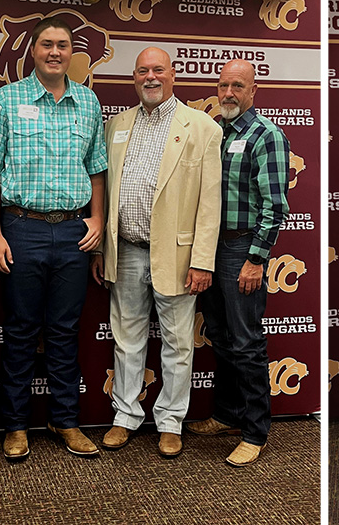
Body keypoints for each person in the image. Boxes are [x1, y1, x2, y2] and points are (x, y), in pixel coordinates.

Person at [0, 17, 106, 460]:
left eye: (63, 46)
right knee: (21, 330)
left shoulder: (88, 102)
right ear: (33, 51)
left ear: (72, 53)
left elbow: (97, 169)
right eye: (47, 44)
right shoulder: (5, 100)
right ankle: (15, 425)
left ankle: (65, 420)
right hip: (21, 228)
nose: (55, 52)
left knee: (66, 331)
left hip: (73, 231)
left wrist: (98, 220)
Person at [95, 47, 221, 458]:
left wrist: (203, 260)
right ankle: (125, 417)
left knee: (179, 344)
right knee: (127, 339)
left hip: (179, 257)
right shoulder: (117, 125)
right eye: (142, 71)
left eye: (158, 71)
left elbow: (210, 202)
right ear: (134, 77)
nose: (150, 77)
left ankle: (170, 421)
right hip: (126, 251)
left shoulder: (202, 128)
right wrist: (103, 250)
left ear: (172, 76)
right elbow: (106, 191)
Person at [186, 59, 290, 467]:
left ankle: (255, 431)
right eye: (223, 85)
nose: (228, 93)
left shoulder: (266, 135)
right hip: (209, 248)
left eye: (237, 86)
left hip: (241, 250)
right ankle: (227, 415)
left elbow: (275, 206)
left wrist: (255, 259)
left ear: (252, 91)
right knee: (221, 336)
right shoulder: (216, 131)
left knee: (246, 343)